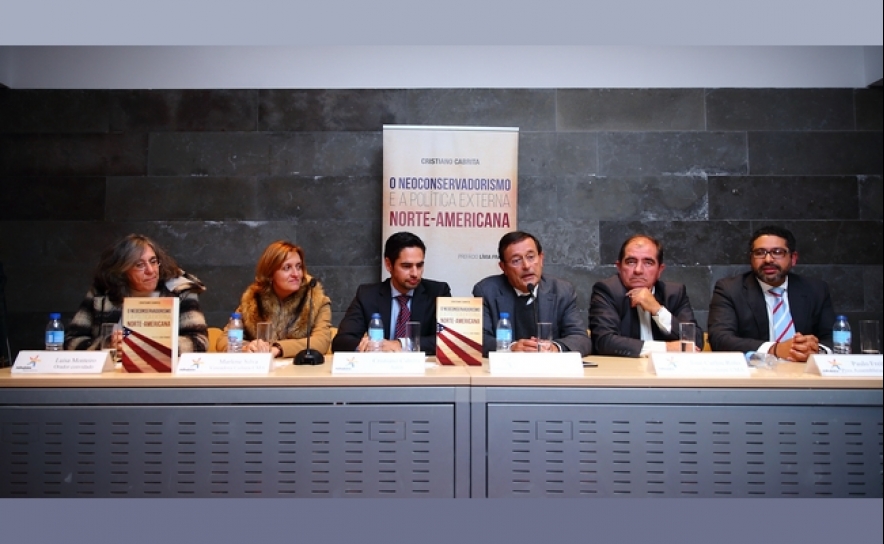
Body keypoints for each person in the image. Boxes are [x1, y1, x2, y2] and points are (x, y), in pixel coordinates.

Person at [708, 225, 835, 362]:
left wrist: (816, 350)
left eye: (778, 252)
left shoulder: (815, 289)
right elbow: (720, 338)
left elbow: (833, 337)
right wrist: (774, 349)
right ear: (751, 258)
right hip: (756, 371)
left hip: (804, 370)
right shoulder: (730, 289)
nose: (768, 259)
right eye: (760, 253)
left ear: (793, 258)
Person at [64, 233, 208, 353]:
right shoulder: (102, 293)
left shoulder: (179, 290)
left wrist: (152, 345)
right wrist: (108, 345)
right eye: (139, 265)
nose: (150, 271)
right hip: (111, 374)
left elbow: (199, 342)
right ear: (123, 270)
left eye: (153, 261)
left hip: (164, 374)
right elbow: (71, 341)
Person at [472, 231, 591, 356]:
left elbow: (580, 338)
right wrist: (511, 347)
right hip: (507, 367)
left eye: (530, 257)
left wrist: (554, 348)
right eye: (516, 260)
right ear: (503, 267)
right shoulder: (487, 291)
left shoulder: (561, 291)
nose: (526, 266)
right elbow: (478, 339)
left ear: (541, 259)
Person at [332, 231, 451, 353]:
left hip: (423, 365)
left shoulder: (438, 293)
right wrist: (372, 345)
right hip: (381, 364)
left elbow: (449, 340)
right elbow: (341, 341)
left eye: (419, 265)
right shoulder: (367, 295)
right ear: (389, 265)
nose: (415, 273)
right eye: (406, 266)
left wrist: (401, 344)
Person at [589, 234, 703, 357]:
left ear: (659, 270)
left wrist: (658, 310)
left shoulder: (674, 293)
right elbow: (604, 341)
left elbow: (695, 341)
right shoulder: (607, 291)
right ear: (619, 267)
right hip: (624, 367)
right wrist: (666, 348)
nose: (638, 270)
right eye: (631, 262)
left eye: (648, 263)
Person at [216, 241, 332, 357]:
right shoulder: (253, 300)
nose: (296, 274)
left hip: (299, 368)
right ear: (270, 274)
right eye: (287, 268)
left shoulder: (316, 300)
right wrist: (246, 348)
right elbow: (224, 340)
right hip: (262, 367)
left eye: (298, 267)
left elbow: (321, 342)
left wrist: (278, 348)